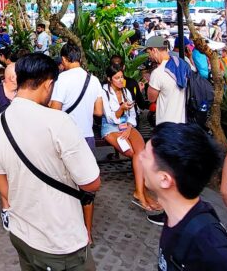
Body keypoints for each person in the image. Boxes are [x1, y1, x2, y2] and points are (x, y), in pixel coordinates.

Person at [0, 53, 100, 268]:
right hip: (59, 243)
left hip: (20, 233)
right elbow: (91, 182)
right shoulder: (59, 122)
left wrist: (24, 201)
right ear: (48, 84)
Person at [140, 124, 227, 270]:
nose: (140, 158)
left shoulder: (213, 250)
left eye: (145, 154)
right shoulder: (175, 218)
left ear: (164, 179)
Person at [49, 43, 103, 243]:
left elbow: (55, 111)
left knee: (62, 186)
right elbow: (98, 112)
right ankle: (87, 233)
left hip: (64, 138)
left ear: (64, 59)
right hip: (86, 139)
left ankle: (65, 233)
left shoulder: (61, 79)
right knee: (86, 189)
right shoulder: (94, 80)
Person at [99, 64, 155, 211]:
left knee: (141, 153)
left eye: (122, 77)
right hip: (111, 128)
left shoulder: (126, 91)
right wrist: (121, 109)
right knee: (133, 154)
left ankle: (141, 191)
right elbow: (110, 118)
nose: (120, 80)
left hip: (127, 125)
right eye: (116, 78)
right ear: (109, 79)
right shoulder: (104, 92)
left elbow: (132, 114)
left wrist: (129, 127)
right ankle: (141, 192)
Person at [145, 36, 186, 125]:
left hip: (166, 124)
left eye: (149, 52)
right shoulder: (181, 64)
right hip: (182, 121)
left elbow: (151, 98)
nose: (149, 56)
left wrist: (149, 83)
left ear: (154, 50)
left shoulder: (158, 73)